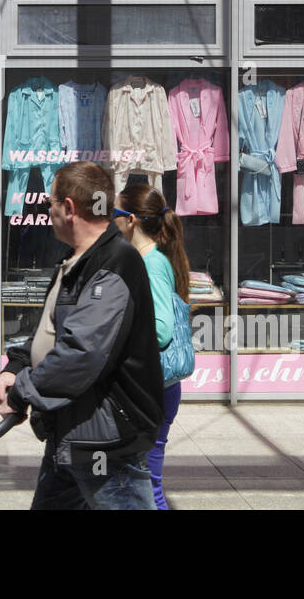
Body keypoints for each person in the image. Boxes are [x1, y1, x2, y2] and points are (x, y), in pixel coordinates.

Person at [0, 161, 164, 509]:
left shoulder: (115, 263)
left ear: (67, 208)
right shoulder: (76, 260)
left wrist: (24, 391)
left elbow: (82, 353)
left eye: (49, 203)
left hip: (105, 439)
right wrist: (16, 366)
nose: (48, 210)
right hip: (72, 429)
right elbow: (50, 330)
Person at [114, 183, 190, 510]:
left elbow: (160, 331)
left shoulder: (152, 263)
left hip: (152, 389)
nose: (110, 220)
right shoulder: (146, 258)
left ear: (131, 220)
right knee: (137, 479)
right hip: (155, 388)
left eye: (115, 213)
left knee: (146, 483)